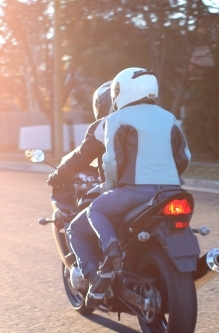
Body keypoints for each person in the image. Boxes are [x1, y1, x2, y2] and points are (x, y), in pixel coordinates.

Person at [67, 67, 191, 300]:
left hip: (136, 192)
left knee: (91, 214)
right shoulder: (169, 117)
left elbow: (113, 160)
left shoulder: (117, 118)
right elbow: (184, 156)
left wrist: (110, 187)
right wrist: (168, 178)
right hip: (171, 191)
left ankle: (108, 256)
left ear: (122, 91)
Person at [46, 80, 112, 188]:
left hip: (122, 189)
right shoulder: (146, 119)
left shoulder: (105, 125)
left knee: (90, 204)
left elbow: (82, 157)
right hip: (146, 187)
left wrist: (58, 175)